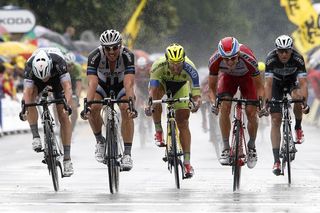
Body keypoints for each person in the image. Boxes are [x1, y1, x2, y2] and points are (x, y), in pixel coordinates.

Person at [81, 29, 137, 171]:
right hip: (102, 85)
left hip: (121, 86)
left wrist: (131, 104)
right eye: (107, 48)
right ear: (102, 48)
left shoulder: (127, 55)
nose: (111, 52)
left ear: (120, 45)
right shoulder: (94, 56)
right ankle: (100, 141)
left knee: (125, 109)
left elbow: (129, 83)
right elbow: (92, 83)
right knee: (93, 108)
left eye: (115, 47)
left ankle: (127, 154)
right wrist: (87, 104)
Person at [145, 43, 202, 178]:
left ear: (184, 60)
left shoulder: (190, 68)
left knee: (183, 121)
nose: (176, 67)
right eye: (172, 64)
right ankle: (159, 131)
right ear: (167, 60)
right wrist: (150, 105)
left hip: (180, 87)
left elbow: (196, 94)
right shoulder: (158, 66)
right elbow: (153, 90)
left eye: (179, 64)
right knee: (156, 99)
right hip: (162, 84)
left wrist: (196, 103)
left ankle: (187, 163)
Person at [208, 37, 264, 169]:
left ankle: (251, 146)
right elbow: (211, 89)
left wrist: (261, 104)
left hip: (247, 78)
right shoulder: (214, 60)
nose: (229, 62)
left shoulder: (248, 58)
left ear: (238, 53)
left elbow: (260, 87)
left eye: (233, 58)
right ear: (221, 55)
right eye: (226, 59)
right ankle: (226, 147)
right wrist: (213, 103)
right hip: (228, 78)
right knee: (225, 106)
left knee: (251, 111)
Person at [19, 48, 74, 177]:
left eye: (46, 77)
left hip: (56, 82)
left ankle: (67, 159)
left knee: (63, 114)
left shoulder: (59, 62)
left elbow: (67, 87)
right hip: (35, 81)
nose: (45, 81)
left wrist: (66, 104)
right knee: (29, 100)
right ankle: (36, 136)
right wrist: (25, 108)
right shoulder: (29, 66)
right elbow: (26, 92)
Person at [264, 35, 309, 176]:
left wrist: (304, 103)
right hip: (276, 85)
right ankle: (276, 160)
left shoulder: (298, 58)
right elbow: (268, 84)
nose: (283, 54)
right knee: (276, 120)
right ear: (276, 51)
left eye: (286, 51)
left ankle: (298, 127)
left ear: (291, 50)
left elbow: (303, 83)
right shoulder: (270, 59)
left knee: (297, 97)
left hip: (291, 82)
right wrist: (267, 103)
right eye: (280, 51)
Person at [64, 52, 83, 132]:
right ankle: (58, 124)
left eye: (72, 64)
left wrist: (77, 97)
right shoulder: (62, 68)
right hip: (64, 83)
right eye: (68, 65)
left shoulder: (77, 67)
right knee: (57, 104)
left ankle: (72, 128)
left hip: (73, 84)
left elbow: (78, 84)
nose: (70, 67)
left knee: (74, 108)